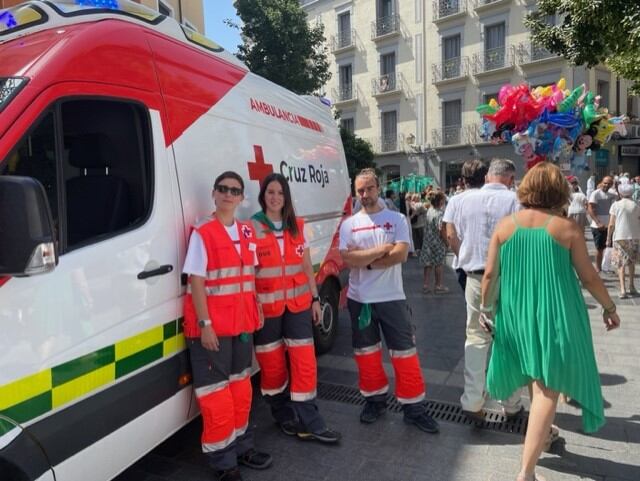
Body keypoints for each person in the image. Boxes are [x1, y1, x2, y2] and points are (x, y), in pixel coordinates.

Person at [481, 162, 620, 481]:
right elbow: (589, 277)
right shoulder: (566, 228)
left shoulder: (505, 226)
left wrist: (486, 309)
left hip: (515, 314)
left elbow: (490, 274)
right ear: (559, 191)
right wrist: (610, 307)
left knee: (535, 377)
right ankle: (526, 473)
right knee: (547, 389)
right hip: (555, 314)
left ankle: (542, 436)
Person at [183, 171, 272, 481]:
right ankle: (223, 463)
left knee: (241, 389)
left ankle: (242, 447)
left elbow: (249, 278)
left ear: (241, 198)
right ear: (214, 193)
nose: (228, 194)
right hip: (213, 330)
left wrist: (257, 308)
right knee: (216, 395)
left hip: (242, 325)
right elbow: (196, 280)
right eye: (223, 189)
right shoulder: (203, 232)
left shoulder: (247, 231)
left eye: (234, 190)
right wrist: (205, 324)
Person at [339, 168, 439, 434]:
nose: (365, 194)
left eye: (369, 188)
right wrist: (381, 250)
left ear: (378, 188)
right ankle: (374, 401)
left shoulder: (396, 219)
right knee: (366, 355)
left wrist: (366, 261)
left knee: (405, 354)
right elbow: (348, 260)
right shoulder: (349, 224)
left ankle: (414, 408)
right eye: (360, 190)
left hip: (392, 298)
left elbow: (401, 255)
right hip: (360, 300)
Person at [250, 173, 341, 443]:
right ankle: (282, 414)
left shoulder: (297, 226)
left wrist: (315, 298)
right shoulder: (252, 228)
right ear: (263, 196)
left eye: (280, 192)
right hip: (267, 309)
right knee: (272, 363)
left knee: (304, 361)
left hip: (299, 305)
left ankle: (310, 420)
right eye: (270, 192)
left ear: (286, 197)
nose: (275, 197)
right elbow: (247, 270)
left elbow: (305, 265)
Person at [443, 158, 523, 422]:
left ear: (490, 175)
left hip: (475, 276)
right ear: (510, 178)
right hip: (509, 277)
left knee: (476, 338)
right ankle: (510, 403)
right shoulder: (515, 200)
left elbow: (451, 235)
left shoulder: (458, 200)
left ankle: (473, 401)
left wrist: (462, 257)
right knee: (509, 339)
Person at [607, 183, 640, 298]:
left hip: (620, 237)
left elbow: (611, 224)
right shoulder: (636, 205)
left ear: (620, 193)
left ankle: (622, 289)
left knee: (620, 263)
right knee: (631, 262)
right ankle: (631, 286)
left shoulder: (616, 205)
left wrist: (608, 238)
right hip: (634, 236)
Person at [420, 191, 448, 294]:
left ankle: (425, 285)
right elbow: (441, 229)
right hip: (437, 242)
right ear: (441, 201)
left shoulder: (430, 210)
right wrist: (446, 242)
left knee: (428, 264)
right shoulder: (440, 213)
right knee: (439, 264)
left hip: (427, 241)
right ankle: (438, 285)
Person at [587, 176, 617, 273]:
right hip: (598, 226)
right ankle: (598, 268)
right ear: (601, 182)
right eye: (605, 183)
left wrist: (616, 187)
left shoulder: (613, 194)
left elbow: (620, 199)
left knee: (609, 248)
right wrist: (598, 222)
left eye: (609, 183)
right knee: (599, 248)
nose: (606, 185)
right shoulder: (595, 194)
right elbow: (590, 208)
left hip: (609, 226)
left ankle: (606, 267)